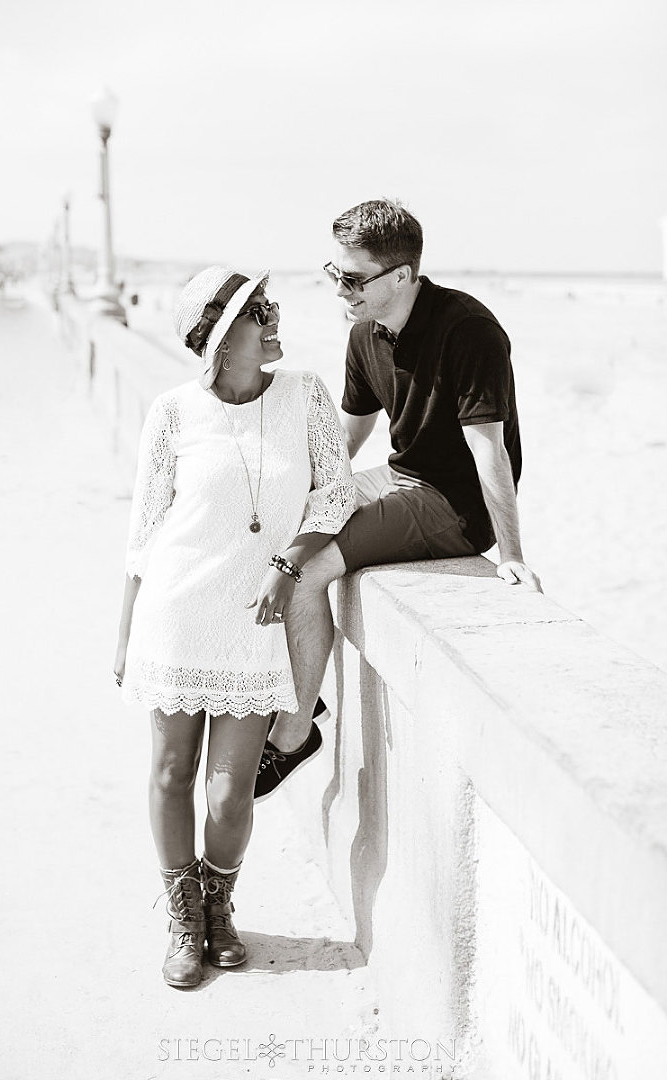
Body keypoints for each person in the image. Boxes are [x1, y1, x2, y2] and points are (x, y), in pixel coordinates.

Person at [113, 265, 355, 988]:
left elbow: (336, 493)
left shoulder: (305, 395)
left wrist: (290, 561)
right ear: (222, 338)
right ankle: (186, 922)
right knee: (170, 771)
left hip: (253, 622)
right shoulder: (173, 412)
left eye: (271, 307)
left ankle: (221, 906)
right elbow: (145, 529)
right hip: (176, 612)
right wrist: (124, 635)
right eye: (260, 312)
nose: (276, 320)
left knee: (228, 793)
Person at [254, 199, 542, 801]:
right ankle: (270, 688)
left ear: (403, 276)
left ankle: (294, 735)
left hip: (454, 506)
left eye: (354, 279)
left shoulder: (471, 332)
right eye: (335, 275)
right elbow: (345, 439)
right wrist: (282, 484)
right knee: (274, 530)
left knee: (304, 572)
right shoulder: (365, 335)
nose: (341, 291)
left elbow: (490, 450)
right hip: (399, 475)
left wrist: (512, 554)